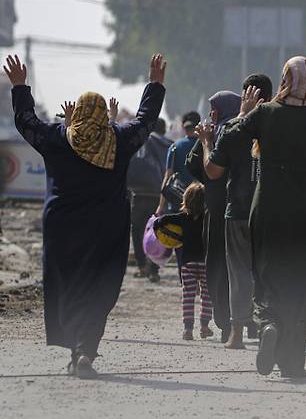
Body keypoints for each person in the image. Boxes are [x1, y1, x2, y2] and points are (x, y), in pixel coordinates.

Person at [5, 53, 167, 379]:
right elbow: (146, 121)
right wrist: (155, 84)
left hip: (63, 229)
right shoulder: (118, 140)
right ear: (102, 116)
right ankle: (86, 349)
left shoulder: (57, 138)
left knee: (68, 285)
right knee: (100, 286)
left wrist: (20, 86)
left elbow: (26, 122)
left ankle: (74, 344)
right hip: (107, 228)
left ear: (76, 113)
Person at [213, 56, 306, 378]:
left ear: (283, 79)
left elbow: (225, 143)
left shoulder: (265, 114)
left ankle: (268, 322)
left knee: (266, 272)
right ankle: (293, 364)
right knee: (301, 280)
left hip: (267, 206)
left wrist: (244, 114)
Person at [199, 78, 273, 349]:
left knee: (239, 272)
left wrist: (207, 141)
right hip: (268, 208)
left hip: (238, 209)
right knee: (268, 271)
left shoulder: (233, 128)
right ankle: (269, 324)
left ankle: (237, 333)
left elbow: (212, 171)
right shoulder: (278, 124)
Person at [185, 89, 243, 343]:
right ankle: (241, 320)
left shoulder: (222, 135)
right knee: (239, 266)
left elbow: (193, 165)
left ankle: (226, 321)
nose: (210, 114)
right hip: (241, 210)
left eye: (213, 109)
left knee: (218, 269)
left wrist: (204, 140)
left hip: (220, 213)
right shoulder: (243, 132)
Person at [154, 182, 213, 340]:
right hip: (205, 262)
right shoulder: (208, 218)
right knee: (206, 295)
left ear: (185, 201)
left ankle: (188, 329)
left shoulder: (182, 218)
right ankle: (205, 326)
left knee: (188, 295)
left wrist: (156, 229)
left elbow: (161, 221)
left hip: (187, 263)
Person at [128, 117, 172, 282]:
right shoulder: (169, 144)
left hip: (139, 194)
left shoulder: (143, 141)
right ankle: (154, 268)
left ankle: (142, 266)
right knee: (158, 232)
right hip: (160, 196)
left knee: (137, 229)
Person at [156, 110, 201, 215]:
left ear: (182, 126)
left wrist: (161, 206)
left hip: (178, 202)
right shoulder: (206, 145)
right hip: (200, 201)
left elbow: (168, 176)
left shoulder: (175, 147)